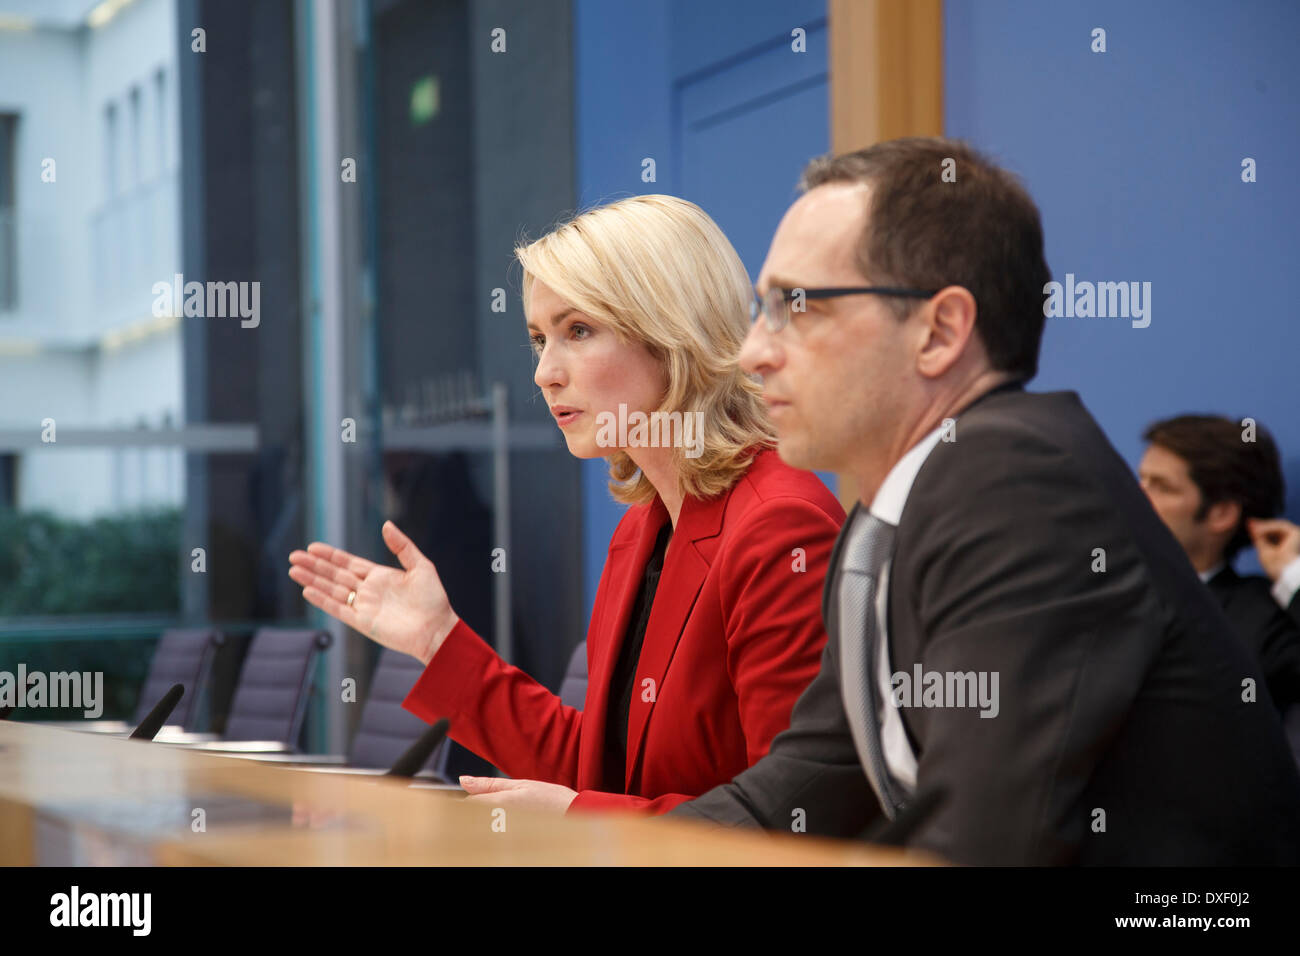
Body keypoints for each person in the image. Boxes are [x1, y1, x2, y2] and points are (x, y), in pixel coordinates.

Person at [666, 137, 1300, 864]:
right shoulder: (886, 516)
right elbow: (807, 784)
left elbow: (985, 843)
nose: (752, 351)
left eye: (795, 306)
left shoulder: (1018, 480)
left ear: (939, 332)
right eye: (760, 308)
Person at [288, 195, 845, 813]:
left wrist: (579, 819)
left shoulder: (779, 527)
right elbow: (601, 767)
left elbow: (799, 821)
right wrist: (436, 640)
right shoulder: (642, 529)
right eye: (537, 339)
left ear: (672, 335)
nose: (543, 373)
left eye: (577, 331)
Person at [1139, 415, 1300, 714]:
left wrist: (1293, 575)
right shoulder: (1094, 586)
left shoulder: (1256, 622)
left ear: (1221, 514)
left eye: (1161, 487)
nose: (1136, 496)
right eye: (1141, 480)